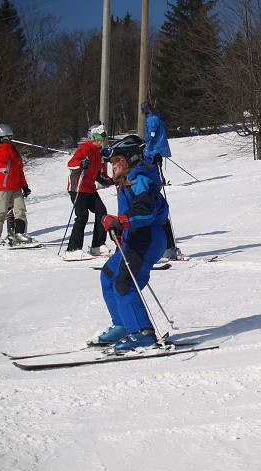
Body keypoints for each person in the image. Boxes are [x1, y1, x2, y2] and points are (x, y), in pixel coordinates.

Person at [97, 136, 170, 351]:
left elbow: (145, 212)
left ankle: (142, 334)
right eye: (112, 162)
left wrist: (121, 221)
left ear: (130, 160)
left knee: (125, 283)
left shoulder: (140, 181)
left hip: (147, 239)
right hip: (134, 238)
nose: (113, 165)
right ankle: (123, 325)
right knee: (108, 276)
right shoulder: (127, 182)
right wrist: (120, 229)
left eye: (118, 160)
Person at [64, 124, 114, 259]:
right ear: (91, 137)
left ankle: (97, 246)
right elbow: (71, 164)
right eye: (97, 139)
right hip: (77, 188)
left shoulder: (98, 153)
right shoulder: (84, 148)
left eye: (101, 140)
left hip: (90, 188)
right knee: (82, 216)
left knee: (101, 211)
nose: (100, 142)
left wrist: (111, 181)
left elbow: (98, 175)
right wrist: (81, 164)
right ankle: (73, 249)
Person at [140, 101, 180, 260]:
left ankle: (159, 179)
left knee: (154, 166)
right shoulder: (153, 117)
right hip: (154, 148)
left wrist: (147, 143)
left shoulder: (152, 118)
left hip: (154, 148)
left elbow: (152, 133)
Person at [0, 124, 33, 247]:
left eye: (8, 137)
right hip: (2, 187)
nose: (6, 140)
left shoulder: (15, 153)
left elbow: (20, 171)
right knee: (0, 212)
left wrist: (25, 186)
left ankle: (19, 234)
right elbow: (3, 159)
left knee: (20, 210)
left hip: (15, 187)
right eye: (3, 138)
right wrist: (5, 145)